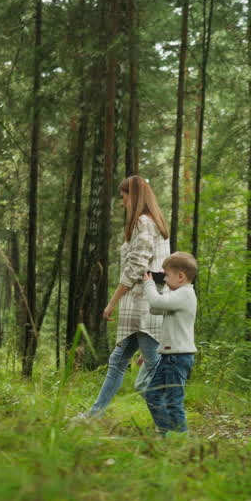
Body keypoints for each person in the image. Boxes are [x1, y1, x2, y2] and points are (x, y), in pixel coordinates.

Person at [79, 175, 171, 418]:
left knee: (153, 371)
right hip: (144, 307)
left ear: (134, 196)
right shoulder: (155, 223)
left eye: (123, 197)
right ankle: (95, 414)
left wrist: (112, 301)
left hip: (144, 308)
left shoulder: (143, 222)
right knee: (118, 361)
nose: (122, 203)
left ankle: (171, 426)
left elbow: (136, 267)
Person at [140, 252, 198, 435]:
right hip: (169, 356)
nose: (164, 279)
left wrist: (149, 283)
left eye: (167, 275)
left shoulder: (186, 294)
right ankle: (165, 431)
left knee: (174, 401)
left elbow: (155, 301)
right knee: (152, 394)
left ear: (180, 276)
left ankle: (181, 437)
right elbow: (155, 308)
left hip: (178, 357)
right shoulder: (178, 295)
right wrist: (164, 287)